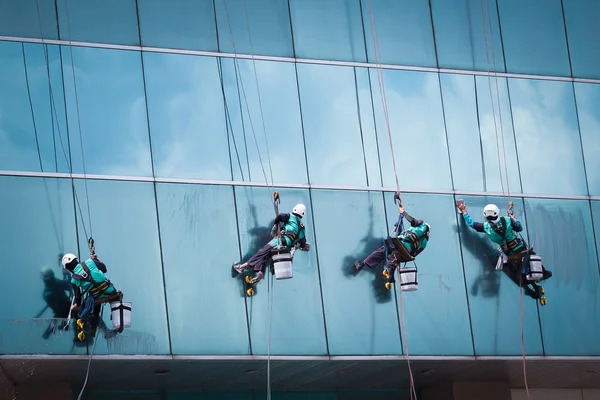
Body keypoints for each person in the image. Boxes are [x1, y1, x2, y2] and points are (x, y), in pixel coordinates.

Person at [457, 202, 552, 298]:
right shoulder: (507, 220)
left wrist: (464, 211)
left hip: (508, 255)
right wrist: (514, 220)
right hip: (519, 248)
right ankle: (542, 274)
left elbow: (472, 224)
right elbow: (519, 228)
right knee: (531, 258)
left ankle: (531, 288)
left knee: (517, 271)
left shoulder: (486, 227)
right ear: (497, 213)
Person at [232, 204, 311, 283]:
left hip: (279, 241)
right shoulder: (302, 227)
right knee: (265, 256)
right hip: (287, 247)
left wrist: (275, 226)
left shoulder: (290, 216)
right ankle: (260, 273)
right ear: (303, 214)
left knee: (261, 252)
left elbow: (280, 216)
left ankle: (242, 267)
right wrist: (303, 246)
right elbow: (303, 243)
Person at [354, 205, 430, 285]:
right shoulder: (425, 243)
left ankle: (363, 264)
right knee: (394, 256)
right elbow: (414, 254)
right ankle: (390, 275)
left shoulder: (423, 225)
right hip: (406, 252)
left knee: (383, 250)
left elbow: (413, 221)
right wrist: (399, 223)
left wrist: (403, 212)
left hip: (400, 243)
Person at [61, 252, 119, 339]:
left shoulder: (74, 279)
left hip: (98, 297)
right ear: (76, 260)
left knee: (90, 303)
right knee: (92, 298)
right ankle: (105, 329)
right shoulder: (89, 262)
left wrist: (77, 305)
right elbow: (104, 269)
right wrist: (94, 260)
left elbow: (78, 297)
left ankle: (92, 328)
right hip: (110, 291)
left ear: (68, 268)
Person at [40, 267, 72, 339]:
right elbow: (67, 285)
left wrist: (68, 276)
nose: (50, 281)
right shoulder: (48, 293)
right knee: (61, 312)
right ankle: (61, 325)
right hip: (61, 306)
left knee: (63, 312)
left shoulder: (55, 282)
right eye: (48, 280)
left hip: (65, 305)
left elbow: (67, 285)